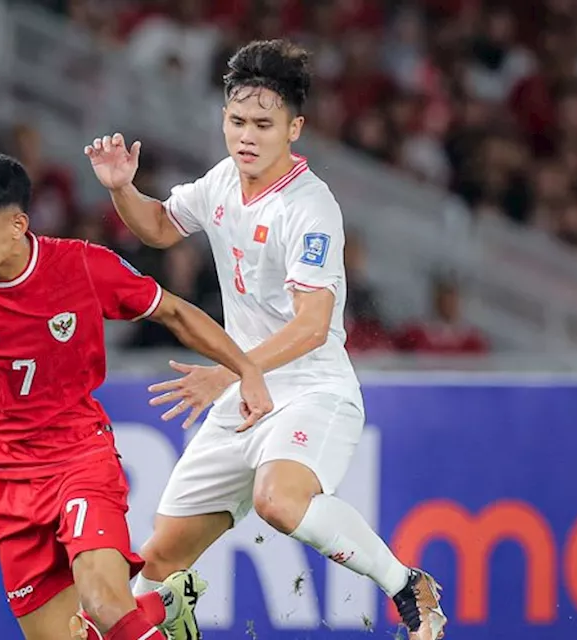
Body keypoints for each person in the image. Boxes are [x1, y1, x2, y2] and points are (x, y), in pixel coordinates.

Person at [83, 40, 448, 640]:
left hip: (312, 391)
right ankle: (170, 621)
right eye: (236, 121)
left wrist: (230, 370)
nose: (246, 136)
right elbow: (157, 227)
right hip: (244, 397)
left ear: (294, 128)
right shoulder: (224, 180)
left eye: (263, 124)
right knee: (157, 565)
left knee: (279, 502)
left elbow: (310, 326)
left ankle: (407, 585)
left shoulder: (310, 208)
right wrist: (123, 188)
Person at [0, 151, 274, 640]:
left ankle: (143, 615)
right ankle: (160, 611)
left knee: (103, 602)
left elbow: (174, 313)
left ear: (17, 225)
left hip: (79, 457)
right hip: (5, 481)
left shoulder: (80, 266)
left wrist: (246, 369)